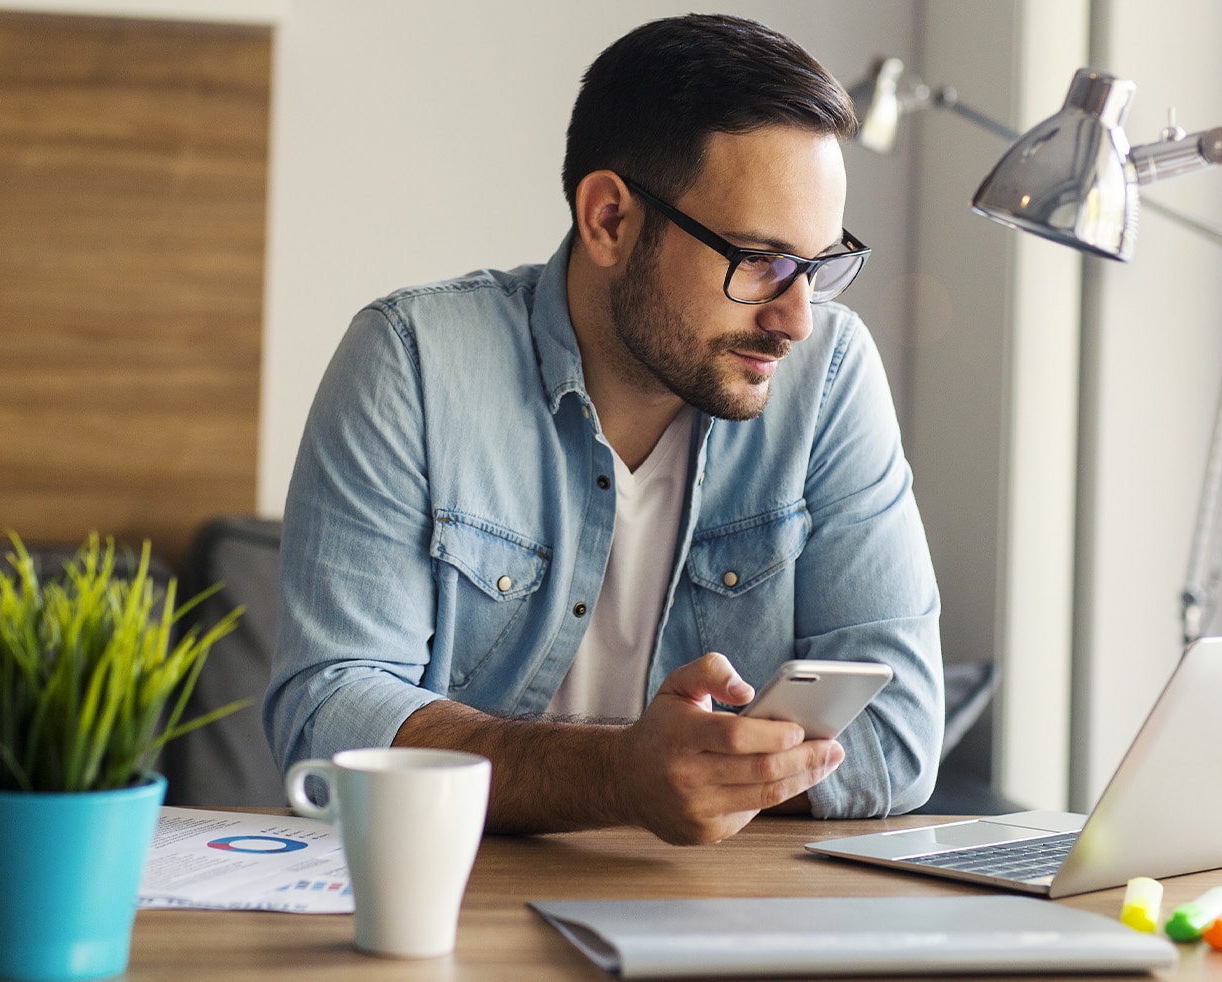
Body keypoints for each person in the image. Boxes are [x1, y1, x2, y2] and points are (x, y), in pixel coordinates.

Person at [264, 13, 942, 846]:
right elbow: (327, 715)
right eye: (760, 260)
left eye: (820, 266)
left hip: (723, 913)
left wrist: (693, 779)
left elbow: (901, 734)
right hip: (458, 903)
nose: (797, 319)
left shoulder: (830, 376)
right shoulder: (413, 361)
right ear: (610, 220)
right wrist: (619, 777)